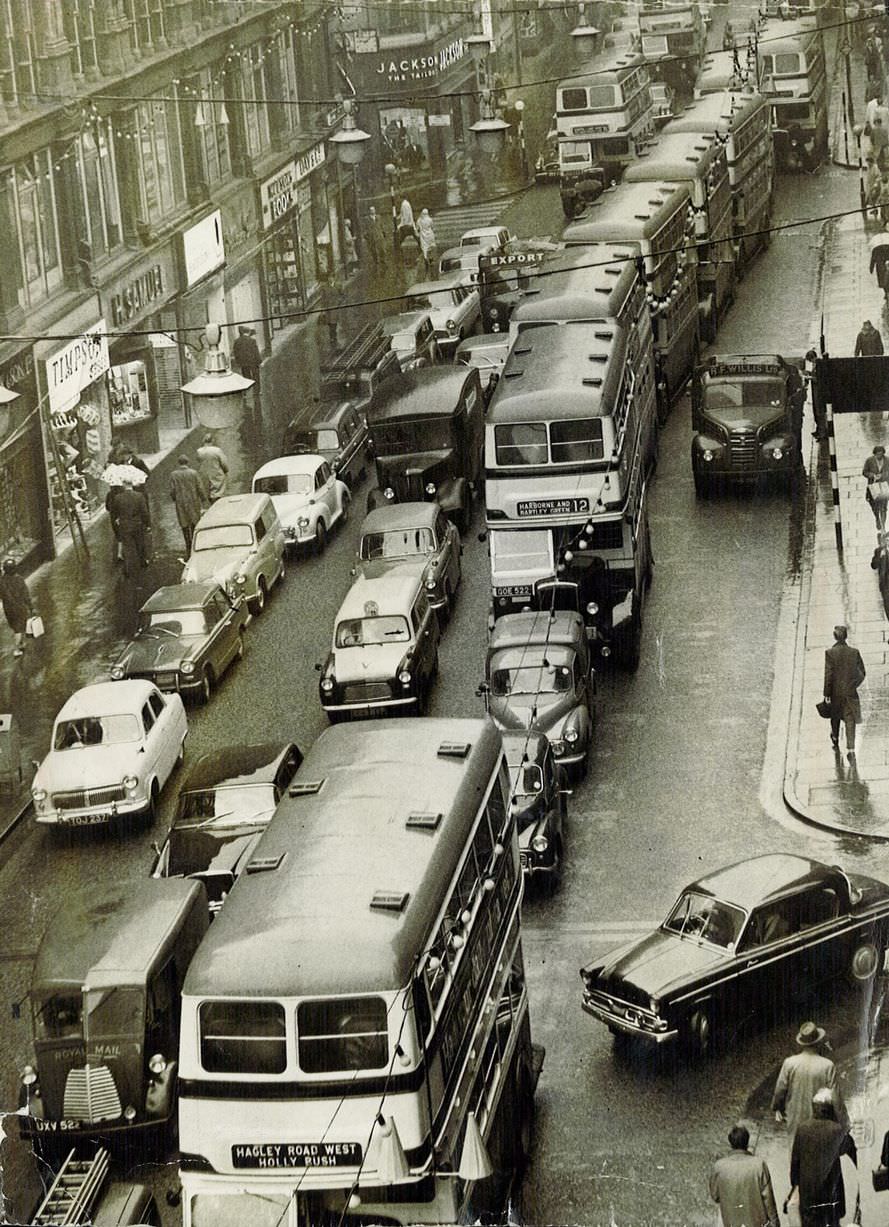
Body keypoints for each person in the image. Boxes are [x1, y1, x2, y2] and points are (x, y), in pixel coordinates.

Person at [787, 1088, 857, 1227]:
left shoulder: (803, 1129)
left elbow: (795, 1162)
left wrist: (795, 1184)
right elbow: (853, 1152)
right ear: (830, 1108)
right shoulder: (837, 1130)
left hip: (808, 1192)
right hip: (831, 1192)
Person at [772, 1022, 848, 1138]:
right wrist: (844, 1123)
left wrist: (778, 1108)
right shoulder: (827, 1065)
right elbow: (836, 1097)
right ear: (819, 1042)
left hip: (795, 1117)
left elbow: (780, 1090)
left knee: (795, 1150)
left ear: (802, 1043)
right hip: (820, 1118)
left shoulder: (789, 1063)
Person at [709, 1123, 779, 1227]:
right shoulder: (759, 1165)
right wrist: (775, 1223)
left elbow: (715, 1196)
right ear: (747, 1143)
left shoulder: (719, 1167)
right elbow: (769, 1201)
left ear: (731, 1143)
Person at [823, 626, 867, 759]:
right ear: (846, 636)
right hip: (849, 692)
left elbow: (828, 675)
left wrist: (826, 693)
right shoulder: (854, 652)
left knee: (835, 716)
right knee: (850, 720)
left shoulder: (830, 653)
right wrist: (853, 685)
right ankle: (851, 749)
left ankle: (835, 736)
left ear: (834, 636)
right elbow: (862, 673)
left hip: (836, 693)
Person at [113, 478, 151, 578]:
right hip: (137, 524)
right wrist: (147, 524)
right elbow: (145, 512)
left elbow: (115, 512)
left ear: (123, 485)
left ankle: (129, 568)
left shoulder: (118, 498)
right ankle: (142, 562)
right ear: (132, 484)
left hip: (125, 525)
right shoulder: (139, 496)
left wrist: (118, 521)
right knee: (140, 544)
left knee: (128, 547)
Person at [170, 456, 207, 553]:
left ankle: (188, 546)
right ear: (187, 462)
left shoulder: (174, 475)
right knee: (194, 522)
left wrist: (175, 499)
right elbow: (200, 487)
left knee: (184, 524)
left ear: (179, 463)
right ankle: (196, 544)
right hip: (193, 502)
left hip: (181, 503)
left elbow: (172, 490)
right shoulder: (193, 473)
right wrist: (203, 499)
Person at [0, 557, 33, 657]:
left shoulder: (1, 581)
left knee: (16, 627)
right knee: (19, 628)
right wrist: (31, 607)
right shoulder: (19, 579)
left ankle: (21, 644)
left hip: (8, 609)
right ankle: (17, 649)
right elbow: (25, 594)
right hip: (19, 606)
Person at [196, 433, 229, 502]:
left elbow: (199, 462)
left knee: (208, 490)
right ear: (212, 441)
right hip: (216, 473)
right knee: (218, 492)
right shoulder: (217, 450)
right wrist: (226, 471)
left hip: (205, 474)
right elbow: (224, 463)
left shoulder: (199, 451)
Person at [863, 444, 889, 531]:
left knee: (883, 507)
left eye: (881, 454)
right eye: (877, 454)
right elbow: (864, 472)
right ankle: (877, 518)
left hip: (884, 487)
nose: (879, 456)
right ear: (874, 454)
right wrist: (873, 475)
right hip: (873, 487)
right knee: (874, 506)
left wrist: (884, 476)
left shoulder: (887, 460)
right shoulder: (869, 461)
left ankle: (883, 526)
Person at [871, 532, 889, 616]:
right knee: (887, 608)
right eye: (886, 540)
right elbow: (873, 565)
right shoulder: (878, 551)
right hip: (884, 585)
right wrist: (880, 556)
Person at [416, 208, 437, 276]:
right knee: (430, 247)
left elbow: (417, 228)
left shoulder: (419, 220)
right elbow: (432, 227)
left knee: (424, 247)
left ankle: (425, 258)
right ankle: (431, 258)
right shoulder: (430, 219)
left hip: (423, 236)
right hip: (430, 235)